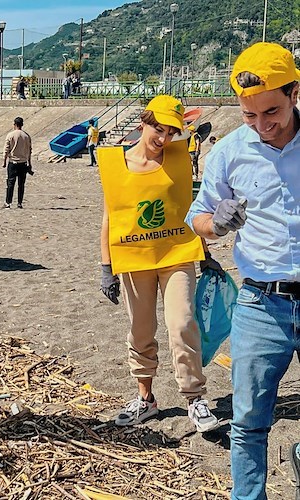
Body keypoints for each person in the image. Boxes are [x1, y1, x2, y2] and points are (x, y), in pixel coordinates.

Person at [185, 42, 300, 499]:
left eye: (271, 110)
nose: (261, 124)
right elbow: (198, 216)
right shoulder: (230, 151)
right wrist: (216, 222)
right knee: (250, 421)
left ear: (295, 91)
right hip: (260, 304)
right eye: (249, 115)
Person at [98, 95, 220, 433]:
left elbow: (190, 207)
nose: (162, 138)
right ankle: (146, 399)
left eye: (170, 131)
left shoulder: (179, 159)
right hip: (134, 257)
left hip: (177, 253)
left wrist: (207, 254)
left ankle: (195, 397)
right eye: (157, 128)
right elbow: (109, 218)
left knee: (182, 324)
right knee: (140, 329)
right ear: (143, 123)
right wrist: (105, 267)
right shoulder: (115, 165)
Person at [3, 116, 33, 209]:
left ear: (14, 124)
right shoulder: (26, 136)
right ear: (22, 125)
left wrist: (4, 161)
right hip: (23, 163)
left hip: (13, 162)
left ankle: (8, 202)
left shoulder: (10, 135)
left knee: (10, 183)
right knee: (21, 184)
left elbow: (6, 150)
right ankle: (19, 203)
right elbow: (29, 151)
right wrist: (29, 163)